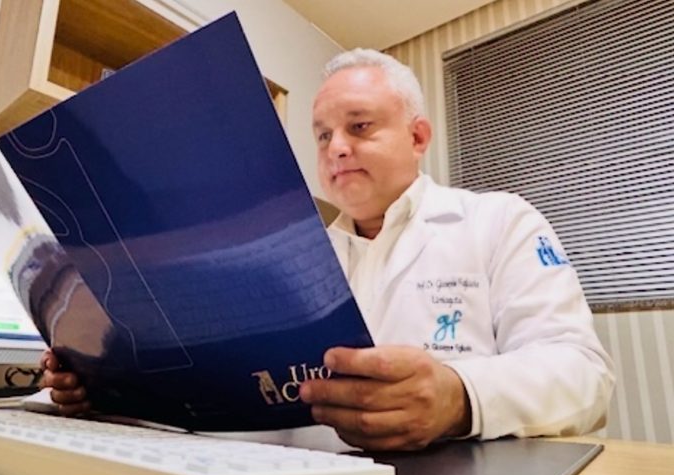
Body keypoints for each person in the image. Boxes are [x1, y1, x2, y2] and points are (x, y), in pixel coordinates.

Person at [40, 48, 615, 451]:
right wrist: (105, 391)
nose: (336, 148)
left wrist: (459, 397)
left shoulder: (499, 221)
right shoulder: (293, 259)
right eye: (322, 135)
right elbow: (238, 397)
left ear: (417, 136)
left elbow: (584, 377)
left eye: (359, 127)